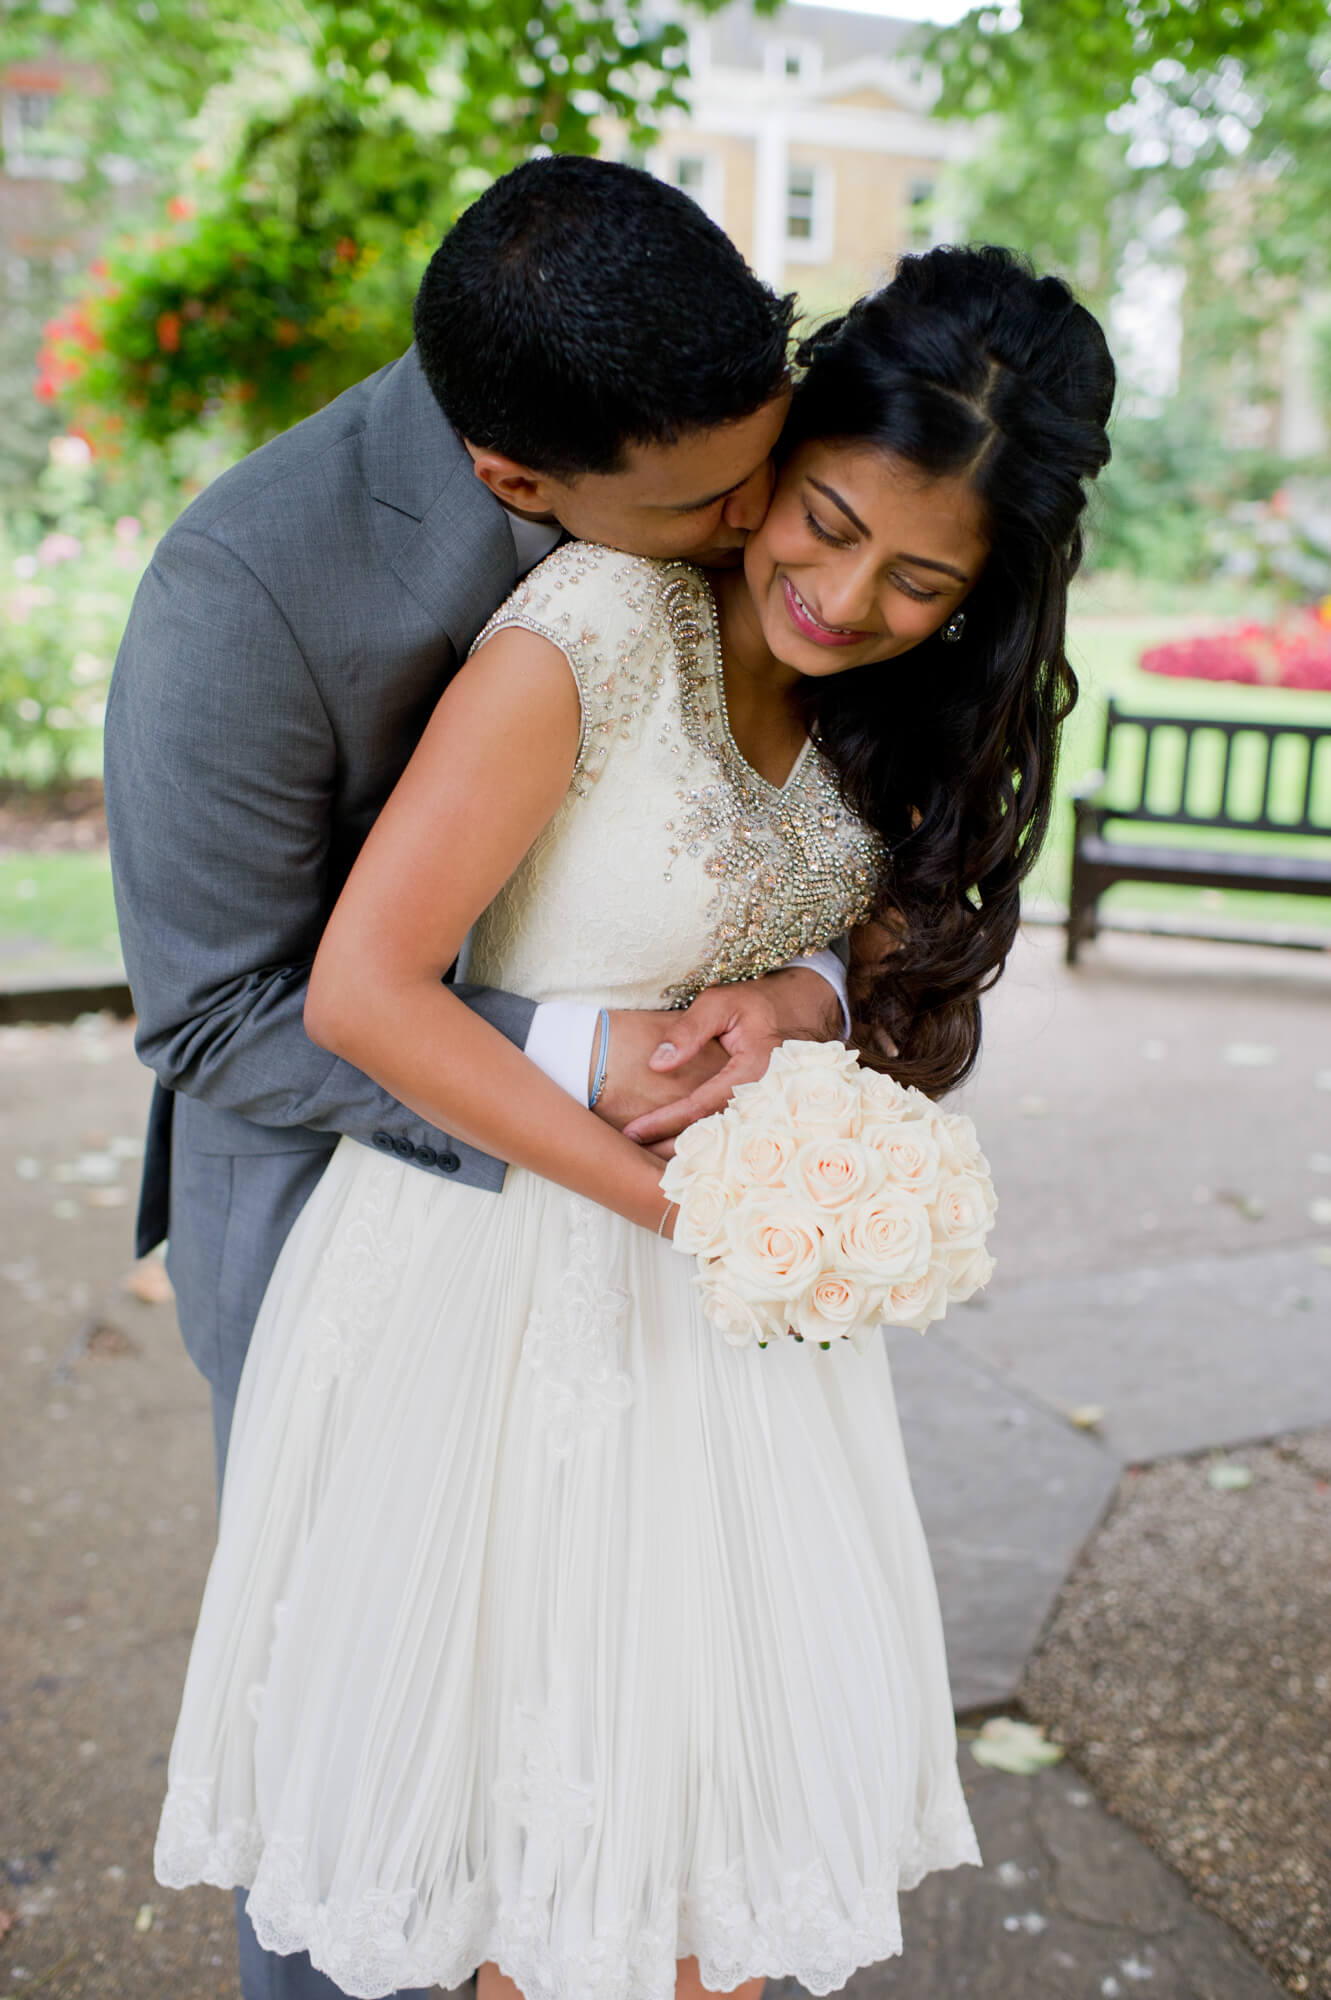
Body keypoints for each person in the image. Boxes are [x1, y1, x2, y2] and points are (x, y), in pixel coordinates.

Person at [152, 243, 1115, 2000]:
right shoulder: (597, 623)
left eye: (919, 579)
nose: (842, 592)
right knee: (522, 1884)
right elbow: (360, 989)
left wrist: (813, 997)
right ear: (786, 454)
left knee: (713, 1898)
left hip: (732, 1353)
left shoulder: (882, 702)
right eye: (822, 520)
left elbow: (879, 915)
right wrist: (676, 1210)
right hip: (507, 1288)